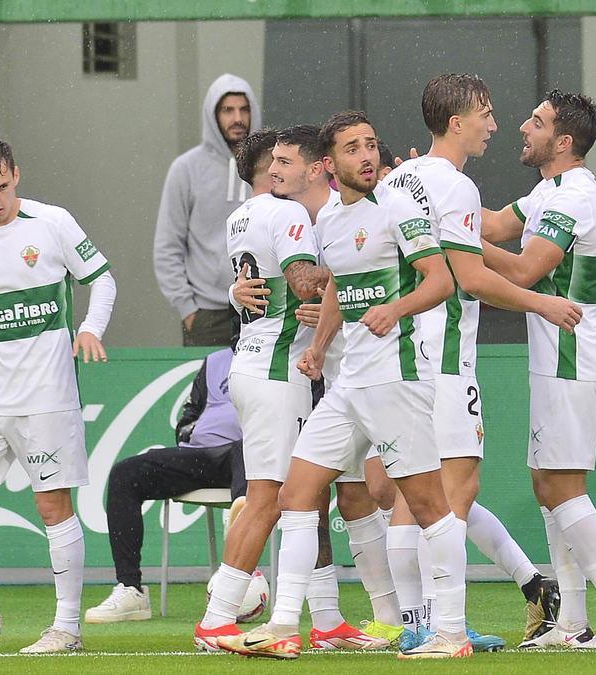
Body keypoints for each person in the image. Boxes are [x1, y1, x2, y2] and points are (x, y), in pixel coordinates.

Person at [221, 111, 470, 660]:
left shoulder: (398, 205)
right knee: (296, 495)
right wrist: (317, 345)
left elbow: (441, 279)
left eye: (372, 145)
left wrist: (395, 309)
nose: (367, 156)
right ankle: (284, 626)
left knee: (428, 505)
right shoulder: (330, 217)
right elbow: (336, 286)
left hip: (396, 379)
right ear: (331, 165)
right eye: (354, 148)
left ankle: (451, 633)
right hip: (347, 385)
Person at [381, 73, 575, 651]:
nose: (494, 124)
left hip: (399, 358)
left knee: (412, 497)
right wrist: (541, 301)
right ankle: (445, 627)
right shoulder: (455, 187)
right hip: (444, 361)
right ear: (456, 121)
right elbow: (470, 278)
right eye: (485, 114)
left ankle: (416, 626)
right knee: (455, 493)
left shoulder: (403, 177)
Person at [195, 129, 387, 653]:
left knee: (307, 497)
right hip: (277, 371)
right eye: (273, 162)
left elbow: (270, 286)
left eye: (285, 160)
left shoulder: (244, 216)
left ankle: (325, 619)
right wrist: (362, 272)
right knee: (269, 499)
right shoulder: (289, 215)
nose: (277, 169)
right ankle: (217, 617)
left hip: (265, 366)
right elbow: (304, 283)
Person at [480, 90, 596, 651]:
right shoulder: (549, 189)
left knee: (563, 484)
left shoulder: (575, 196)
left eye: (537, 122)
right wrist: (429, 195)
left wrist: (453, 244)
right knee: (545, 484)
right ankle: (572, 620)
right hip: (556, 354)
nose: (524, 128)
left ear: (564, 141)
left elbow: (525, 270)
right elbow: (495, 225)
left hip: (573, 352)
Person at [0, 136, 116, 654]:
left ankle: (67, 629)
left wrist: (89, 327)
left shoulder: (52, 222)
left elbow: (102, 280)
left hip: (48, 395)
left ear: (17, 174)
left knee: (53, 506)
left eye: (3, 186)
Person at [84, 346, 245, 624]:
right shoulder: (216, 361)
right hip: (204, 457)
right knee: (126, 474)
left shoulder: (287, 354)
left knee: (245, 450)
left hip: (256, 456)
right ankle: (130, 589)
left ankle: (242, 570)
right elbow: (189, 416)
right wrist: (193, 435)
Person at [154, 74, 260, 346]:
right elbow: (168, 246)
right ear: (213, 115)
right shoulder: (186, 169)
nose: (237, 118)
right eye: (228, 110)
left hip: (261, 308)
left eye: (244, 109)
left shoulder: (270, 165)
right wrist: (187, 309)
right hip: (207, 316)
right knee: (208, 389)